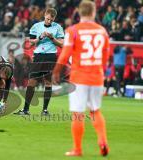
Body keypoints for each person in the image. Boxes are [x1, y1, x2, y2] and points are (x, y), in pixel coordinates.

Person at [53, 0, 110, 157]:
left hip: (79, 78)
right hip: (97, 77)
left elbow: (65, 54)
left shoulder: (73, 30)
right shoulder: (102, 31)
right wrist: (100, 69)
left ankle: (77, 149)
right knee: (95, 111)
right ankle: (103, 141)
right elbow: (106, 55)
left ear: (79, 12)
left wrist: (57, 71)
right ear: (93, 13)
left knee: (78, 114)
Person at [14, 8, 64, 116]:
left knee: (48, 82)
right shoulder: (36, 27)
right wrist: (40, 38)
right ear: (45, 15)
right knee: (31, 82)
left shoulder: (58, 28)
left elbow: (61, 44)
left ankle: (45, 110)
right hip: (38, 56)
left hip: (50, 57)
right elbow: (31, 43)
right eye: (48, 19)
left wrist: (52, 38)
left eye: (51, 20)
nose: (49, 21)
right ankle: (26, 110)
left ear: (54, 18)